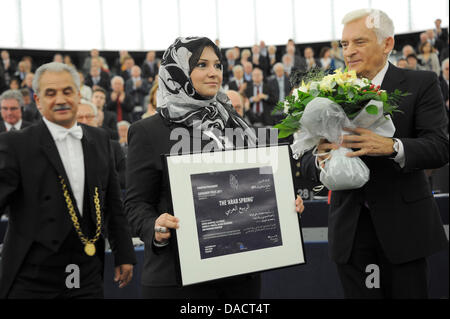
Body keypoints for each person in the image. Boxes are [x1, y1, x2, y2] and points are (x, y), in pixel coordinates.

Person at [298, 9, 448, 299]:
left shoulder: (422, 83)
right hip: (350, 233)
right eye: (344, 44)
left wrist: (392, 146)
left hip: (405, 230)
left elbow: (440, 147)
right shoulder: (322, 93)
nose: (349, 51)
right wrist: (320, 158)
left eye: (359, 42)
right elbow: (304, 158)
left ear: (387, 44)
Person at [125, 37, 280, 299]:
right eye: (201, 65)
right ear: (177, 71)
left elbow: (256, 186)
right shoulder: (147, 132)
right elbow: (135, 205)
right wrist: (156, 226)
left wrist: (282, 200)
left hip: (240, 275)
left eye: (218, 65)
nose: (213, 72)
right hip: (177, 279)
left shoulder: (236, 124)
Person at [0, 62, 136, 298]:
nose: (60, 99)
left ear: (78, 93)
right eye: (50, 93)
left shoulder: (101, 139)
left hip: (86, 271)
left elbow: (113, 205)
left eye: (67, 91)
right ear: (37, 100)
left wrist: (124, 254)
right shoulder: (15, 144)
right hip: (32, 276)